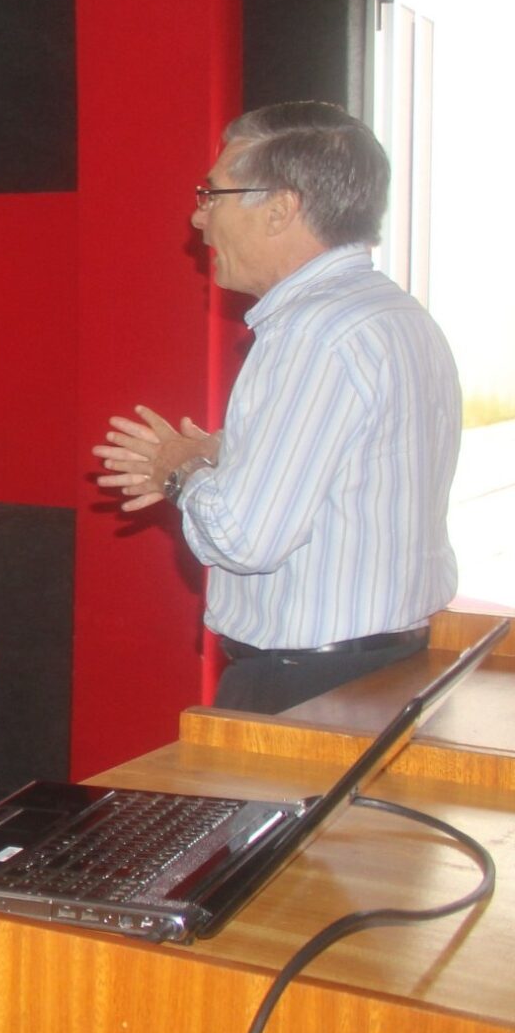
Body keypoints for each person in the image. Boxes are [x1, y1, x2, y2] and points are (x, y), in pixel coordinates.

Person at [94, 103, 462, 713]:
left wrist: (179, 469)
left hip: (307, 690)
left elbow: (246, 540)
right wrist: (228, 451)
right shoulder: (392, 314)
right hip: (386, 670)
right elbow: (356, 474)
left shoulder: (310, 333)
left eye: (212, 195)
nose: (197, 216)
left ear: (280, 209)